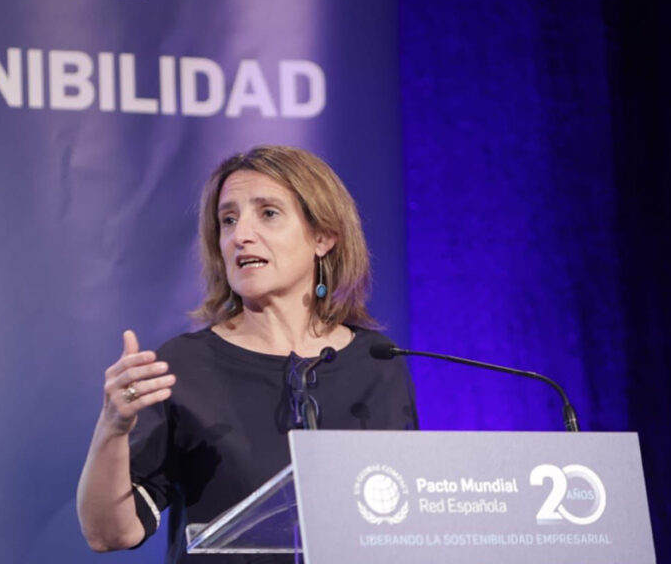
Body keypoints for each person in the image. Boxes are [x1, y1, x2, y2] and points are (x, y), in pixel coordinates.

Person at [77, 145, 418, 563]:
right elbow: (109, 533)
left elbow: (405, 525)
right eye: (228, 220)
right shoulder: (183, 367)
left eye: (268, 213)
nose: (241, 235)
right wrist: (112, 428)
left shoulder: (377, 364)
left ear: (323, 237)